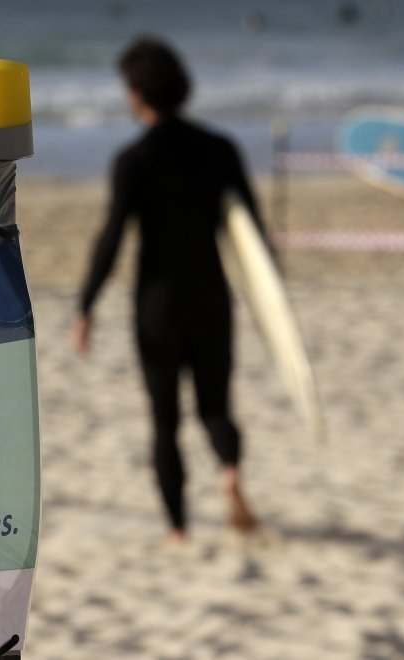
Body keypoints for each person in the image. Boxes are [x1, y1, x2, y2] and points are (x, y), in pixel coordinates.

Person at [74, 37, 261, 544]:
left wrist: (86, 304)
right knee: (215, 406)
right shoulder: (221, 149)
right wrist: (267, 302)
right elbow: (253, 236)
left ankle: (178, 528)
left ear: (137, 93)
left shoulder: (133, 159)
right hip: (211, 297)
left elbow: (112, 238)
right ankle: (229, 472)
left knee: (165, 421)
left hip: (158, 305)